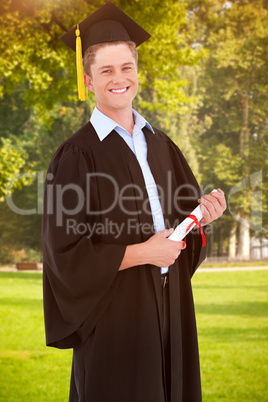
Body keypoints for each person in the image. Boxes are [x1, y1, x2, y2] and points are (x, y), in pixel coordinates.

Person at [42, 2, 226, 401]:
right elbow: (65, 255)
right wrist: (143, 252)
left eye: (126, 67)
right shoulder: (77, 155)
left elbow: (180, 226)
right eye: (106, 70)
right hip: (115, 316)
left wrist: (202, 215)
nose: (119, 78)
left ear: (137, 71)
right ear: (88, 80)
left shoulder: (161, 144)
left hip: (171, 305)